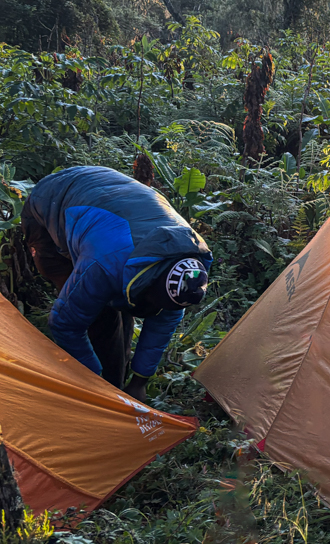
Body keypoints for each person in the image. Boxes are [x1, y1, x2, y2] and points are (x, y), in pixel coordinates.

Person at [22, 165, 212, 402]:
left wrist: (140, 382)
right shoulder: (105, 262)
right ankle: (101, 386)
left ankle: (116, 379)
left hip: (111, 204)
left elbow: (163, 322)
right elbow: (65, 324)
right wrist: (96, 384)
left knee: (121, 303)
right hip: (51, 201)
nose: (154, 311)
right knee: (97, 314)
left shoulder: (186, 272)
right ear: (150, 280)